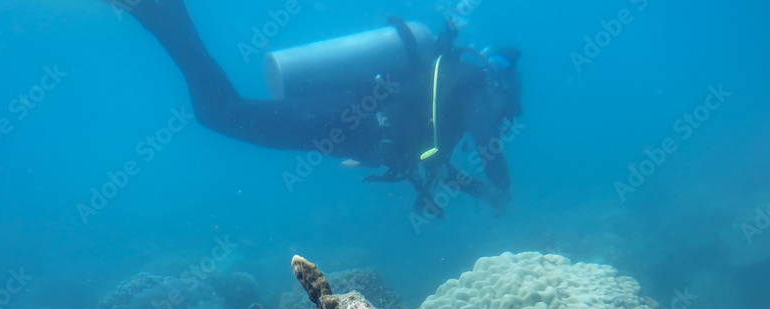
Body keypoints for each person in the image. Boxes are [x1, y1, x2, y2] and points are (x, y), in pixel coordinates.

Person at [99, 0, 522, 217]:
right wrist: (501, 184)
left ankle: (156, 12)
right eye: (507, 111)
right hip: (350, 118)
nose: (501, 118)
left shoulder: (451, 89)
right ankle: (159, 10)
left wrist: (485, 194)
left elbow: (439, 163)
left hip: (352, 127)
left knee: (221, 113)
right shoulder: (472, 81)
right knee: (222, 112)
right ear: (500, 86)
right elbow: (486, 137)